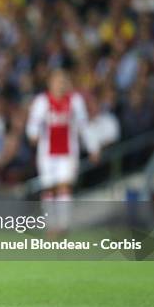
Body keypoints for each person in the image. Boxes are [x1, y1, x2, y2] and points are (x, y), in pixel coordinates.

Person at [26, 69, 100, 233]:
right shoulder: (42, 101)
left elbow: (83, 125)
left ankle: (64, 225)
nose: (61, 84)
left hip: (68, 152)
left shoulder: (75, 101)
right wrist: (32, 134)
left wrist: (93, 147)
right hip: (47, 153)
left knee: (64, 187)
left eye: (63, 81)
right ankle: (51, 225)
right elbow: (34, 122)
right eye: (58, 81)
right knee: (48, 188)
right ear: (50, 83)